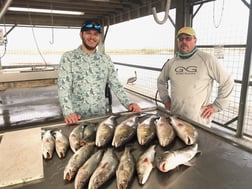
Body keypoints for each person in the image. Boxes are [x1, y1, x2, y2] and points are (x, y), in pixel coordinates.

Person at [58, 19, 141, 125]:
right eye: (88, 33)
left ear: (99, 37)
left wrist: (129, 103)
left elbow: (116, 84)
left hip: (101, 118)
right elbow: (63, 88)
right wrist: (68, 112)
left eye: (95, 34)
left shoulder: (105, 60)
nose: (92, 37)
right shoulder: (68, 57)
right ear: (81, 35)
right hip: (77, 119)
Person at [157, 27, 234, 127]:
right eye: (180, 39)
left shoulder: (207, 60)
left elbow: (228, 81)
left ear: (195, 40)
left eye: (188, 38)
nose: (184, 41)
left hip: (198, 120)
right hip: (175, 118)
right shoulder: (172, 62)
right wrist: (166, 100)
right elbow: (161, 81)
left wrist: (217, 106)